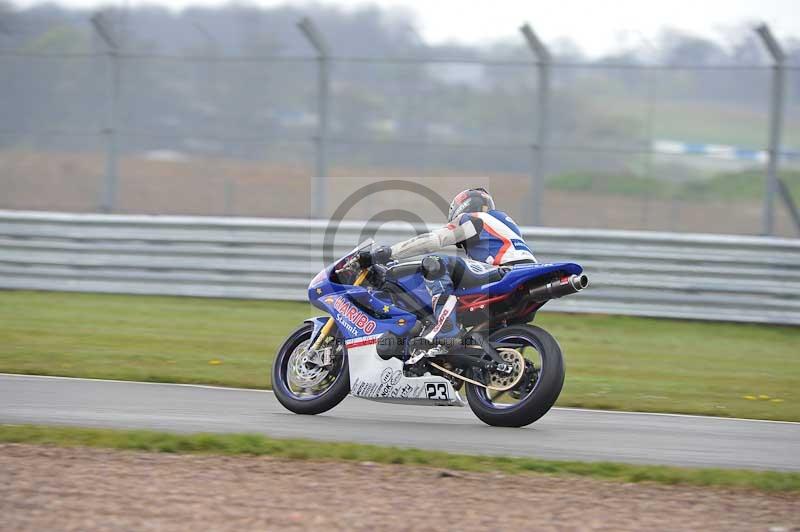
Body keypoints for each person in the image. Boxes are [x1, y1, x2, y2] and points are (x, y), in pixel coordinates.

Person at [360, 188, 536, 345]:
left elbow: (433, 240)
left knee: (434, 262)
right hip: (524, 278)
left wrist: (390, 252)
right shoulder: (503, 223)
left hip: (504, 272)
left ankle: (445, 328)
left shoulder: (473, 219)